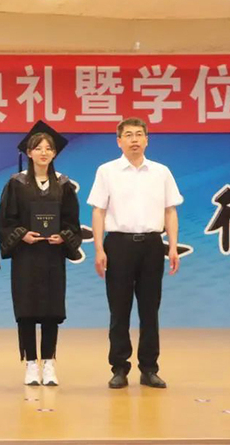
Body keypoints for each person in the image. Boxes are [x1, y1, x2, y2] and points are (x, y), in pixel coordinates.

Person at [87, 117, 183, 389]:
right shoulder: (107, 171)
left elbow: (170, 211)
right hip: (118, 244)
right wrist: (99, 248)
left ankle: (149, 368)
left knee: (150, 310)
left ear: (147, 140)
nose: (134, 140)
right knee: (119, 310)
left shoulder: (161, 172)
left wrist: (173, 246)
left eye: (139, 134)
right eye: (128, 135)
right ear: (119, 141)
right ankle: (119, 368)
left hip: (152, 245)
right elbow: (98, 211)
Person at [0, 121, 82, 386]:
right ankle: (31, 363)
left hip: (52, 257)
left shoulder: (63, 185)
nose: (43, 152)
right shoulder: (16, 184)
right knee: (27, 310)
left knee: (50, 311)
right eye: (38, 148)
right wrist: (22, 234)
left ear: (54, 153)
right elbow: (5, 221)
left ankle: (49, 363)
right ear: (29, 152)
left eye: (48, 148)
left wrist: (63, 236)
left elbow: (72, 223)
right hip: (26, 256)